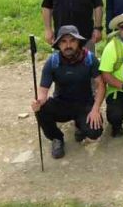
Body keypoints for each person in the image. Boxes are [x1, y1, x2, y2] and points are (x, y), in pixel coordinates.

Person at [31, 25, 104, 159]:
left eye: (72, 41)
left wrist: (96, 108)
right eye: (64, 41)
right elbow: (43, 92)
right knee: (41, 109)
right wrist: (38, 102)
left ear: (79, 42)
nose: (68, 45)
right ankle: (56, 138)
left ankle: (80, 125)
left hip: (84, 104)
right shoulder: (53, 62)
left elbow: (101, 85)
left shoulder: (89, 58)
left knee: (95, 131)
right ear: (58, 44)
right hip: (62, 104)